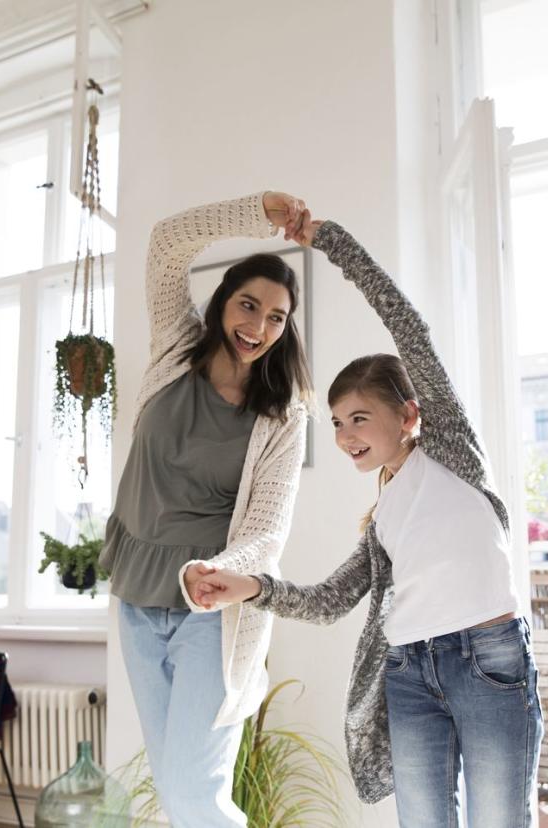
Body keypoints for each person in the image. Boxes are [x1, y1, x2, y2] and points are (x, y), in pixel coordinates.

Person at [194, 215, 544, 827]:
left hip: (488, 660)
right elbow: (331, 600)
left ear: (409, 414)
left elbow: (407, 325)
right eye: (335, 422)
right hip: (407, 672)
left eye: (358, 417)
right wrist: (249, 587)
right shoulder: (382, 516)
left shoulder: (452, 455)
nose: (343, 435)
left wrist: (327, 240)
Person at [100, 192, 312, 826]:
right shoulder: (173, 348)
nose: (259, 326)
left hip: (212, 612)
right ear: (223, 301)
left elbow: (267, 527)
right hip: (138, 598)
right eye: (250, 305)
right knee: (175, 790)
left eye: (277, 318)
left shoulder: (284, 414)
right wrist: (261, 210)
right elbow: (167, 244)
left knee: (196, 794)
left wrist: (213, 571)